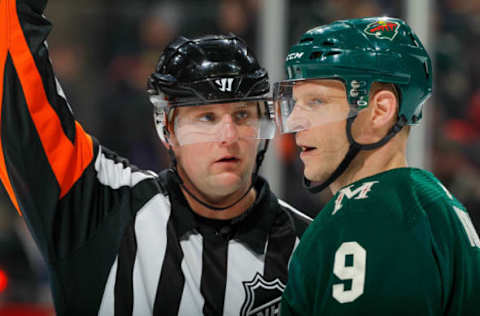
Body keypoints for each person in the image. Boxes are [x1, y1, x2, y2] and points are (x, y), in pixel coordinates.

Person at [0, 0, 311, 315]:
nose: (228, 136)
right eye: (206, 118)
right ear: (167, 129)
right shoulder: (103, 210)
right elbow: (14, 86)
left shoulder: (313, 246)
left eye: (243, 115)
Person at [274, 17, 480, 315]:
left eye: (317, 101)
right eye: (296, 103)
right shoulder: (430, 200)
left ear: (380, 110)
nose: (294, 121)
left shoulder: (368, 214)